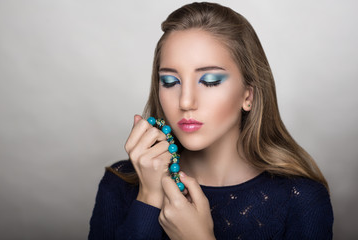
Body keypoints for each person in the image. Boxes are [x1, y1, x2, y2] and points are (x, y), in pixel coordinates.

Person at [88, 2, 333, 239]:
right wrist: (149, 197)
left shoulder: (302, 199)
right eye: (170, 82)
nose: (185, 102)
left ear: (248, 95)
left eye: (210, 81)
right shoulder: (119, 183)